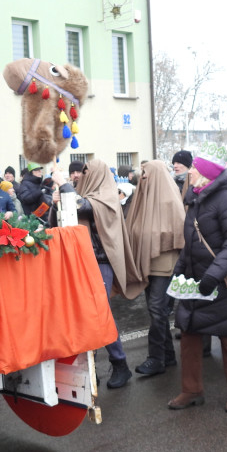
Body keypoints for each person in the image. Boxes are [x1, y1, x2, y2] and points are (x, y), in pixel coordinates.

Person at [168, 155, 227, 413]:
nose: (189, 172)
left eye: (194, 168)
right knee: (189, 335)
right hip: (197, 281)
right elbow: (192, 242)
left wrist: (213, 276)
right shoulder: (196, 198)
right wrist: (179, 273)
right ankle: (191, 390)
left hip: (222, 282)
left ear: (206, 173)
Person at [52, 159, 143, 389]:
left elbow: (83, 208)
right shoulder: (82, 195)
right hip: (79, 262)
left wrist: (63, 186)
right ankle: (88, 369)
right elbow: (57, 223)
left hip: (100, 264)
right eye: (80, 173)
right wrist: (56, 204)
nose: (80, 176)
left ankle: (120, 363)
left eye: (85, 172)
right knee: (81, 316)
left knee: (100, 314)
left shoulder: (107, 197)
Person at [125, 160, 186, 376]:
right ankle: (167, 355)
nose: (141, 177)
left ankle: (156, 358)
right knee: (155, 310)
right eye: (141, 173)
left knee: (157, 309)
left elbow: (179, 233)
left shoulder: (169, 199)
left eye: (145, 173)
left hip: (164, 264)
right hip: (148, 263)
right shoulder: (142, 198)